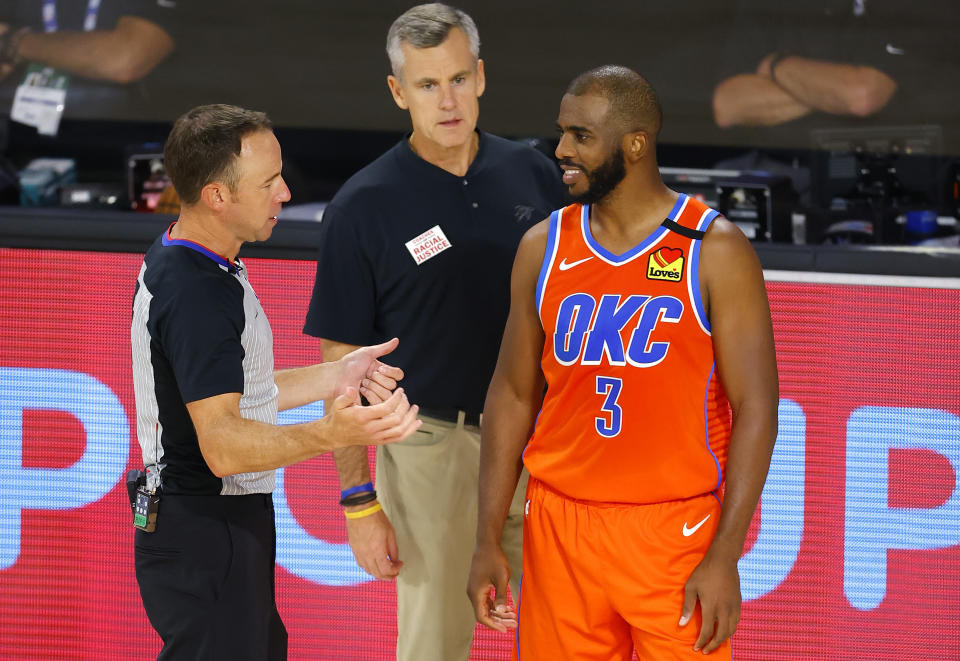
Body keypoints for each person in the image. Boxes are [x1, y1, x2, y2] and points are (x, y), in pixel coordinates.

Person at [467, 66, 779, 659]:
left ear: (634, 144)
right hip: (559, 527)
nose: (561, 150)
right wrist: (487, 538)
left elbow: (756, 407)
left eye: (581, 136)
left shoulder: (713, 250)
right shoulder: (543, 246)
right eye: (561, 133)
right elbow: (511, 395)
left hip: (672, 533)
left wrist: (725, 554)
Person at [302, 4, 566, 660]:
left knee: (560, 631)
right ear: (398, 92)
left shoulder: (533, 174)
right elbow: (341, 364)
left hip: (542, 443)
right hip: (430, 447)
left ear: (480, 76)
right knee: (435, 646)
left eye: (456, 79)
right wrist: (358, 499)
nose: (446, 100)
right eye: (426, 85)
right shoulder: (363, 206)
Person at [130, 104, 421, 661]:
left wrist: (337, 374)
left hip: (207, 530)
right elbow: (224, 447)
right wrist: (331, 432)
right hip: (206, 532)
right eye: (269, 182)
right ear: (218, 196)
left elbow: (233, 395)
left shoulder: (195, 260)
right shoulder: (197, 296)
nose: (286, 193)